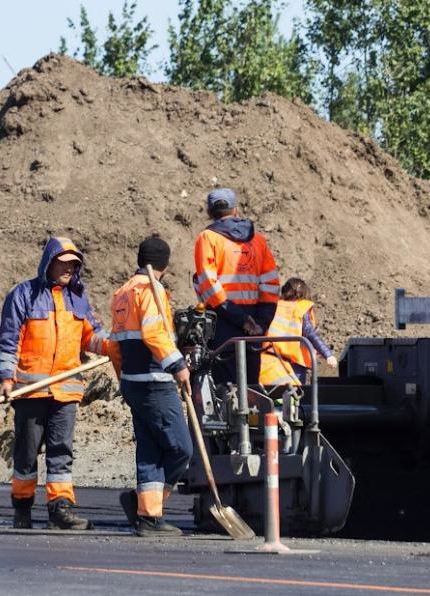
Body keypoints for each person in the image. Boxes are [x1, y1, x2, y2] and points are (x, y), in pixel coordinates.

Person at [0, 236, 111, 530]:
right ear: (49, 262)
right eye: (64, 263)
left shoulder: (77, 299)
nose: (69, 269)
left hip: (66, 390)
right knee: (26, 453)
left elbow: (91, 337)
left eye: (74, 264)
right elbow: (9, 341)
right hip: (31, 390)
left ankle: (61, 508)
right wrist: (7, 378)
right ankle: (22, 507)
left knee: (62, 452)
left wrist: (116, 347)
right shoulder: (24, 295)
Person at [109, 235, 193, 537]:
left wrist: (123, 380)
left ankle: (146, 514)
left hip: (133, 383)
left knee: (149, 450)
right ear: (165, 266)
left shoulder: (121, 293)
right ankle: (148, 509)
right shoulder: (151, 290)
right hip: (155, 383)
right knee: (181, 448)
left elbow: (114, 346)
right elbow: (155, 334)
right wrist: (178, 365)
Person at [193, 188, 280, 385]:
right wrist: (261, 323)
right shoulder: (258, 240)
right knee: (251, 390)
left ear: (209, 212)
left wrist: (241, 319)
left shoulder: (207, 238)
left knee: (226, 391)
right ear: (236, 210)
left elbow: (209, 285)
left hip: (224, 321)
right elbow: (271, 284)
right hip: (255, 325)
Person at [259, 278, 338, 388]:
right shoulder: (301, 308)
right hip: (294, 362)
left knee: (274, 395)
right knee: (295, 396)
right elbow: (309, 332)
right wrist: (328, 354)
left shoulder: (274, 306)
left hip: (270, 359)